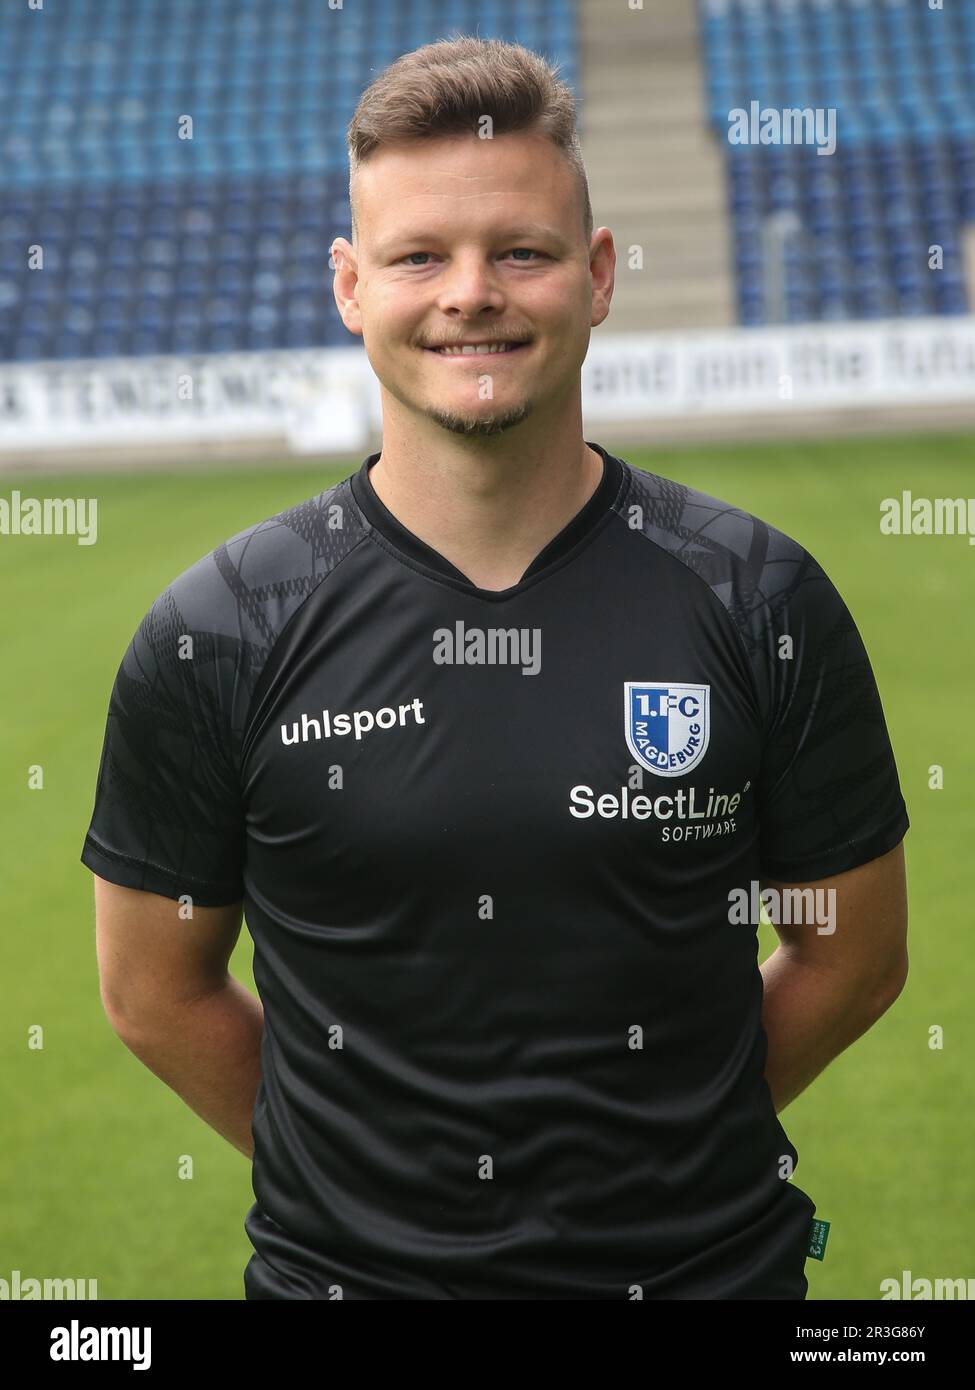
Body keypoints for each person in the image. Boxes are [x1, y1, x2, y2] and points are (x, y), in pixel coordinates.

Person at [80, 37, 909, 1300]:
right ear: (351, 286)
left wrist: (659, 1155)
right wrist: (365, 1190)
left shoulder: (758, 596)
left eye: (519, 249)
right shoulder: (222, 628)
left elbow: (853, 956)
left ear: (598, 274)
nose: (472, 292)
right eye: (420, 256)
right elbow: (152, 992)